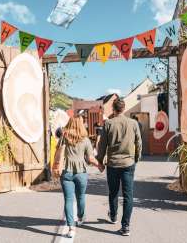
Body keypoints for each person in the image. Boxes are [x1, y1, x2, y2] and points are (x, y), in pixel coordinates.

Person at [96, 98, 142, 236]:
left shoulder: (108, 123)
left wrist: (99, 161)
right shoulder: (133, 123)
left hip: (113, 164)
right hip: (128, 163)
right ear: (124, 108)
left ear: (113, 109)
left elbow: (102, 144)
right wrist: (136, 158)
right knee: (128, 195)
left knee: (113, 192)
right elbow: (138, 142)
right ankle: (126, 226)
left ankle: (114, 216)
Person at [53, 117, 101, 238]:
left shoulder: (64, 137)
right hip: (81, 173)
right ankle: (80, 218)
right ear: (81, 125)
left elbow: (58, 152)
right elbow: (90, 158)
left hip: (66, 173)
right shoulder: (85, 140)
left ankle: (71, 228)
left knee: (68, 200)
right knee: (81, 197)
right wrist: (99, 165)